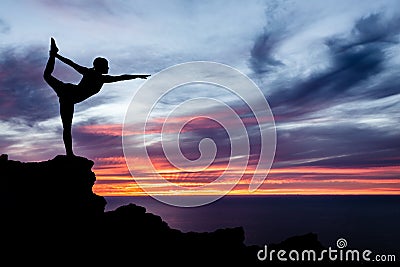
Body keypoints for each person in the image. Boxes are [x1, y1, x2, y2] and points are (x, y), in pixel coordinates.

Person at [43, 37, 150, 156]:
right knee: (67, 127)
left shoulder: (98, 76)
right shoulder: (96, 76)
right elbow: (72, 64)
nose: (108, 68)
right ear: (100, 67)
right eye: (106, 66)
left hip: (68, 95)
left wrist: (137, 76)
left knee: (47, 76)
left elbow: (121, 77)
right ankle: (69, 154)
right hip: (68, 94)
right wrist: (137, 76)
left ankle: (52, 54)